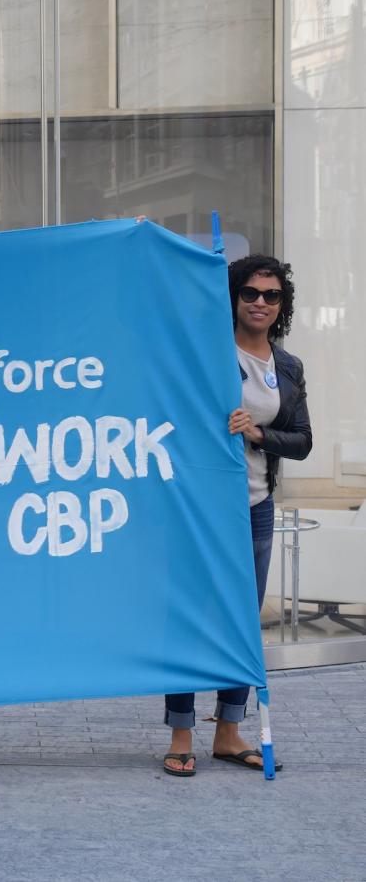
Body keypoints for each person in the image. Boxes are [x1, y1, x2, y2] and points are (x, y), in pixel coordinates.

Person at [162, 254, 312, 777]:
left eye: (272, 296)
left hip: (254, 507)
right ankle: (182, 733)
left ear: (281, 306)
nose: (261, 303)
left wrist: (258, 434)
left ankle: (228, 731)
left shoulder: (287, 367)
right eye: (251, 293)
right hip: (202, 507)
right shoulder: (208, 354)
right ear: (234, 298)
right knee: (191, 617)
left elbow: (302, 443)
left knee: (241, 621)